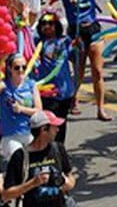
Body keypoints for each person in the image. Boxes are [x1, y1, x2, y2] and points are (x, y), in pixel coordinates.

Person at [42, 0, 112, 121]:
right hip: (76, 34)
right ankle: (73, 99)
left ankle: (101, 109)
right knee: (79, 71)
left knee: (98, 72)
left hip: (94, 31)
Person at [2, 110, 76, 207]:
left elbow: (70, 177)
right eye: (54, 127)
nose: (57, 130)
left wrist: (66, 182)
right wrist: (33, 183)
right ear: (44, 129)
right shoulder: (20, 156)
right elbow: (6, 195)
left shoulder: (58, 148)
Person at [33, 13, 74, 143]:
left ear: (56, 26)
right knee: (48, 125)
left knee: (61, 124)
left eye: (50, 23)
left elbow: (75, 58)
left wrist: (78, 46)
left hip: (65, 91)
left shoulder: (65, 41)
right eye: (43, 24)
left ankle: (59, 151)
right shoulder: (37, 42)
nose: (47, 27)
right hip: (49, 93)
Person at [0, 54, 42, 162]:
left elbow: (39, 110)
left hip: (27, 134)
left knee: (33, 166)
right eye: (17, 67)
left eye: (24, 67)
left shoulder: (31, 85)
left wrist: (21, 109)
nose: (21, 70)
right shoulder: (4, 86)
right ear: (9, 68)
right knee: (19, 162)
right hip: (10, 136)